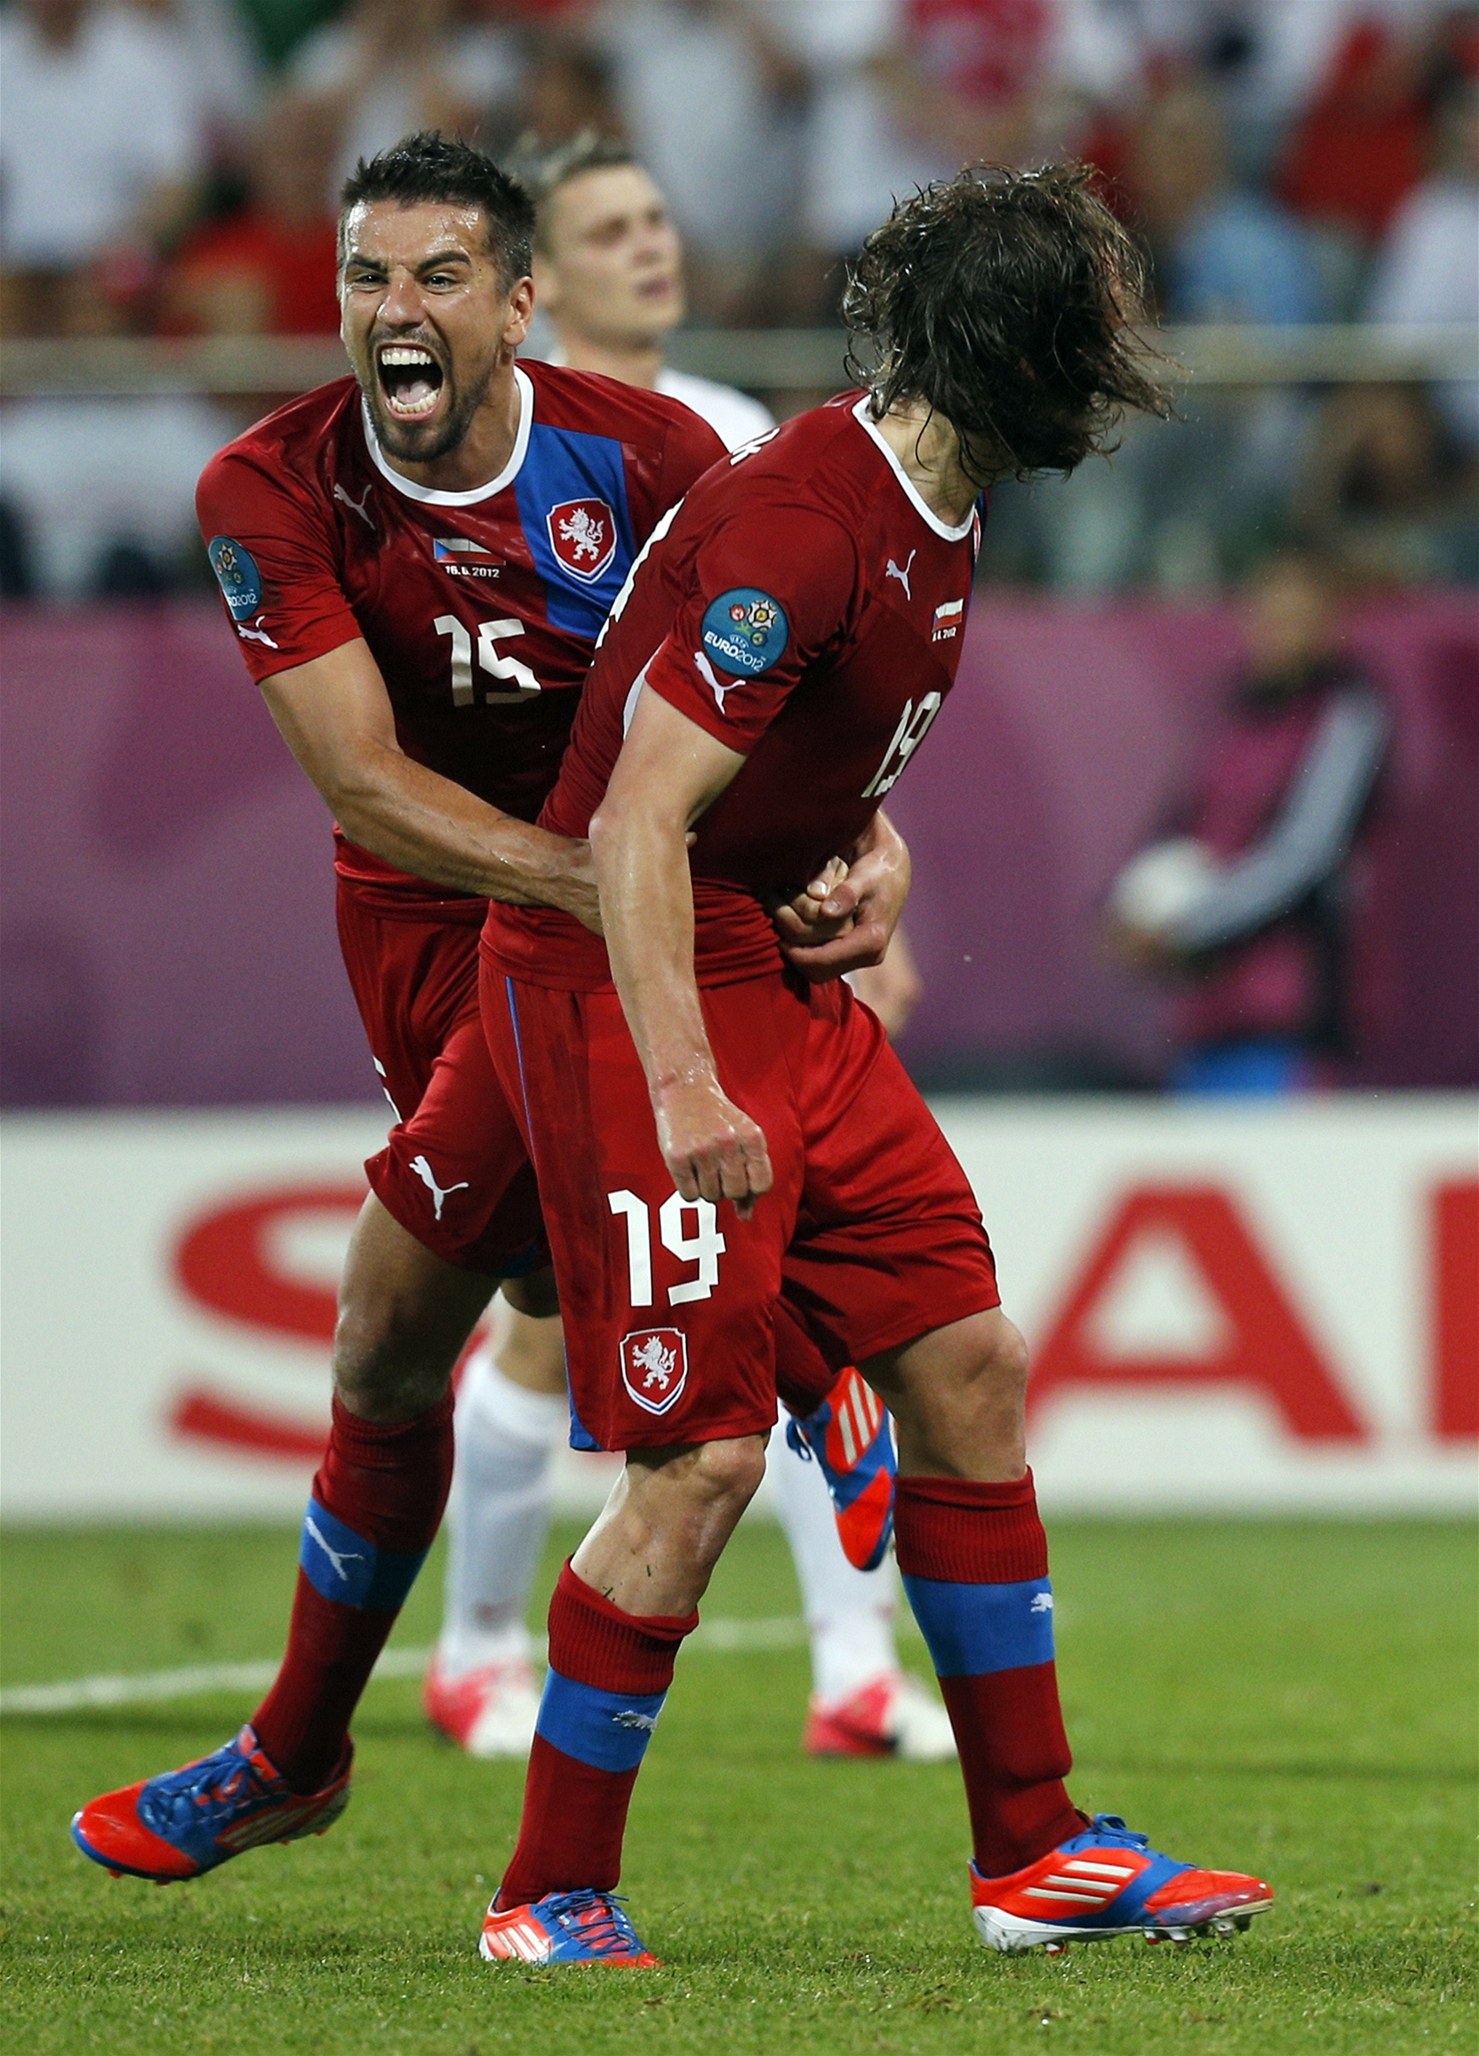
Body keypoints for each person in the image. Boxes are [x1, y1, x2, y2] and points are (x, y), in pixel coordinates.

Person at [68, 131, 905, 1887]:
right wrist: (620, 876)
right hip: (428, 914)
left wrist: (862, 841)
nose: (396, 308)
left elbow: (803, 692)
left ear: (519, 306)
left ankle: (299, 1756)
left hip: (586, 933)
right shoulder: (267, 489)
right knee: (473, 1308)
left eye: (437, 276)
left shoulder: (658, 458)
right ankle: (807, 1353)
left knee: (388, 1320)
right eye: (366, 277)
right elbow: (362, 786)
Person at [475, 163, 1276, 1968]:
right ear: (1011, 353)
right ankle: (545, 1894)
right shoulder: (804, 526)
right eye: (1087, 339)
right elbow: (633, 823)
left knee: (968, 1359)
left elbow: (804, 753)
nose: (1109, 375)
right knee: (691, 1466)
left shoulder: (937, 501)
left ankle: (1032, 1852)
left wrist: (872, 844)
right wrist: (681, 1087)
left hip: (772, 971)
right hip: (632, 986)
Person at [426, 131, 949, 1767]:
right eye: (607, 229)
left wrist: (866, 864)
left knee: (770, 1273)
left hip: (718, 917)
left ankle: (851, 1665)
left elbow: (818, 698)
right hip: (549, 916)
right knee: (536, 1299)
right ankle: (474, 1646)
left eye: (656, 218)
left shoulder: (738, 433)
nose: (649, 247)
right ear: (533, 282)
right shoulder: (479, 451)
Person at [1107, 546, 1390, 1092]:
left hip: (1295, 1016)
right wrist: (1125, 907)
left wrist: (1186, 928)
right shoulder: (1231, 711)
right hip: (1210, 1010)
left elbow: (1305, 856)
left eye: (1297, 616)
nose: (1280, 632)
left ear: (1327, 624)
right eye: (1270, 614)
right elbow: (1184, 823)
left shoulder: (1349, 715)